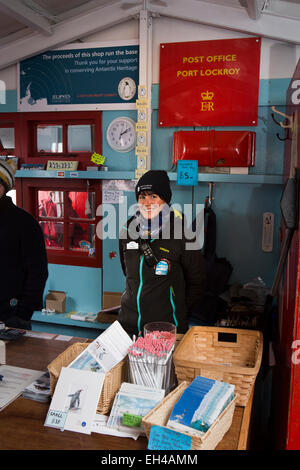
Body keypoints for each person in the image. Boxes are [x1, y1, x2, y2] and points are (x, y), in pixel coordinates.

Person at [118, 169, 206, 338]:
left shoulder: (183, 233)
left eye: (153, 196)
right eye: (142, 197)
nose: (147, 202)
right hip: (128, 326)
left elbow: (198, 280)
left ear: (165, 200)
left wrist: (177, 308)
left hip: (166, 329)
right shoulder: (128, 230)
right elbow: (127, 272)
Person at [0, 159, 48, 329]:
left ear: (3, 187)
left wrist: (23, 312)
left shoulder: (24, 223)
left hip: (11, 317)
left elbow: (38, 271)